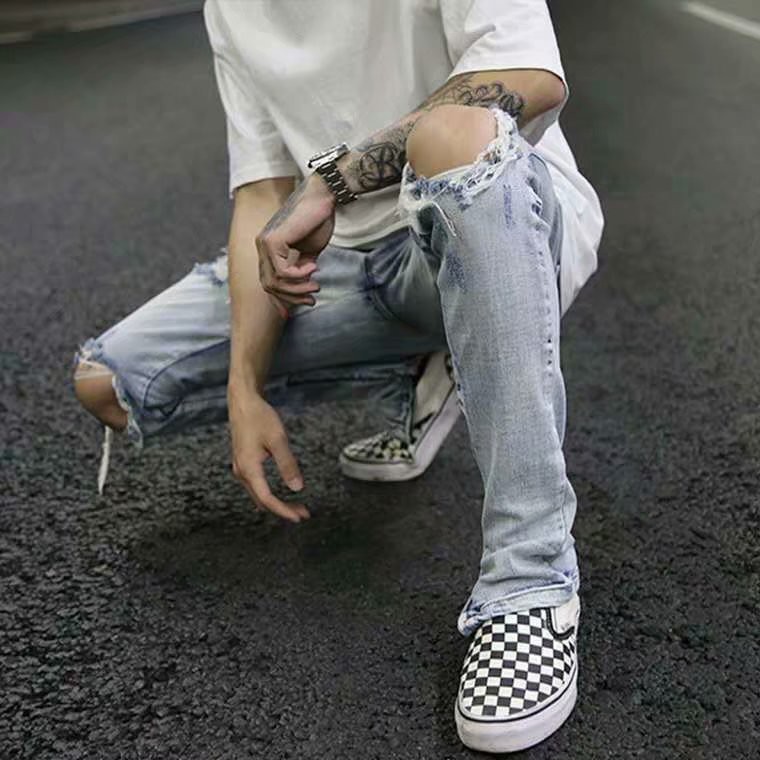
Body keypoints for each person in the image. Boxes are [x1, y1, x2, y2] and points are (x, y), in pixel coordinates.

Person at [72, 0, 603, 752]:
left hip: (495, 217)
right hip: (348, 264)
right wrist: (245, 387)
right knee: (111, 382)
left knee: (452, 134)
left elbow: (530, 76)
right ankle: (430, 365)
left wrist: (335, 179)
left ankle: (531, 579)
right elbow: (261, 194)